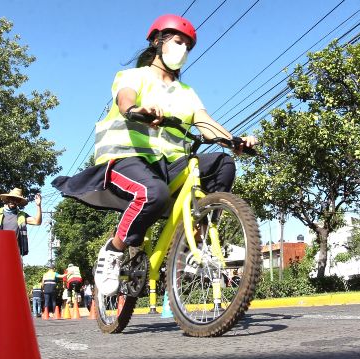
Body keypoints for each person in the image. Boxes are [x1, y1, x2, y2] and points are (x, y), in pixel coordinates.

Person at [52, 14, 258, 297]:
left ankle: (194, 243)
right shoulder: (133, 76)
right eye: (177, 42)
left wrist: (234, 141)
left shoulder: (186, 92)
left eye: (187, 46)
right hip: (126, 158)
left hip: (168, 166)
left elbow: (205, 123)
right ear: (157, 42)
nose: (182, 49)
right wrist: (136, 110)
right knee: (153, 192)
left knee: (223, 163)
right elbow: (125, 99)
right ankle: (113, 250)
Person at [0, 188, 42, 264]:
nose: (13, 201)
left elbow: (37, 222)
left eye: (16, 200)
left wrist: (38, 206)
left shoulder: (22, 215)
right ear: (7, 199)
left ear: (18, 202)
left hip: (14, 253)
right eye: (12, 198)